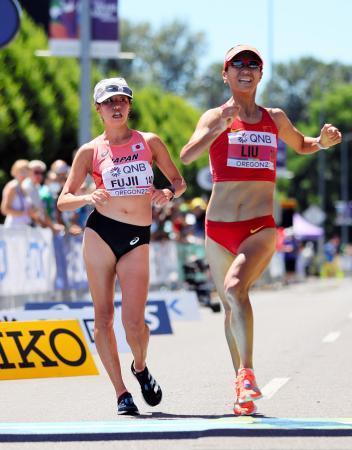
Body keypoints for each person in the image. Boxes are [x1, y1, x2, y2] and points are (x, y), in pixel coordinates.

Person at [180, 44, 342, 416]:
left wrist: (323, 143)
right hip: (218, 226)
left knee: (238, 288)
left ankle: (247, 373)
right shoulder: (215, 115)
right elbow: (188, 155)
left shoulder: (275, 118)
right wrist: (216, 129)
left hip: (259, 227)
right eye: (237, 63)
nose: (245, 68)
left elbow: (301, 144)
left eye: (253, 64)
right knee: (229, 305)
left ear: (260, 74)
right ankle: (241, 385)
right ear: (226, 74)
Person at [57, 77, 186, 415]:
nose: (116, 107)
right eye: (109, 102)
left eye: (122, 101)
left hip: (135, 238)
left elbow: (178, 181)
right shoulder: (90, 151)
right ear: (98, 109)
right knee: (103, 317)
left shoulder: (149, 142)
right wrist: (88, 196)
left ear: (129, 106)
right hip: (100, 232)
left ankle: (140, 367)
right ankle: (120, 394)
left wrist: (168, 193)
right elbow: (63, 200)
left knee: (133, 323)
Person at [1, 159, 40, 228]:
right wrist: (25, 213)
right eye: (21, 171)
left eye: (26, 171)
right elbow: (4, 209)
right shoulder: (12, 187)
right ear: (15, 172)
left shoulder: (24, 187)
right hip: (13, 227)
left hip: (25, 227)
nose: (24, 174)